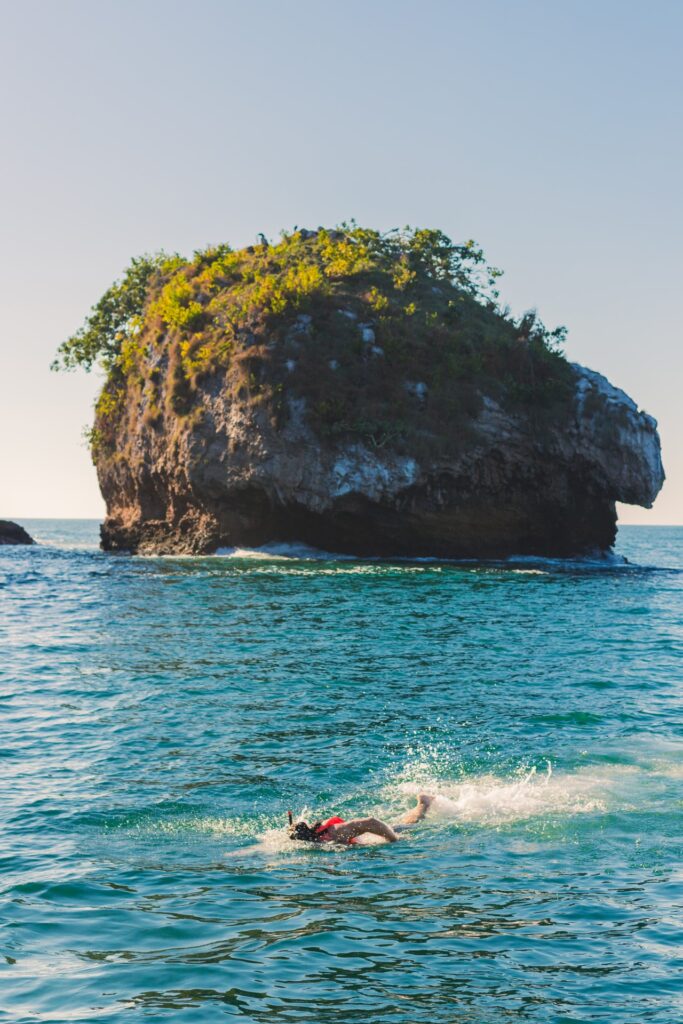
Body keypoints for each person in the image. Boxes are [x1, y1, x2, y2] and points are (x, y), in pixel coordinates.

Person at [288, 793, 434, 845]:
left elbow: (371, 822)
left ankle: (424, 803)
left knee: (408, 825)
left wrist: (394, 840)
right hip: (366, 837)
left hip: (375, 833)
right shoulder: (315, 839)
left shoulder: (336, 832)